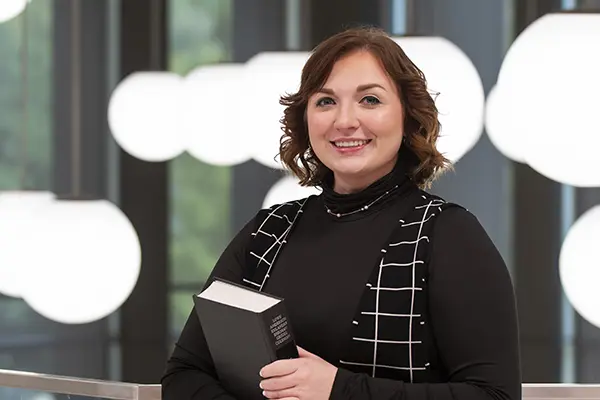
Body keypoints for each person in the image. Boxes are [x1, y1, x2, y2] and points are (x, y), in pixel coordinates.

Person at [161, 26, 521, 400]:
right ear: (306, 119)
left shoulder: (448, 235)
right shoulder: (268, 232)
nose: (345, 121)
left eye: (369, 100)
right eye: (325, 101)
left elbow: (495, 396)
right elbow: (185, 374)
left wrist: (339, 390)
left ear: (409, 117)